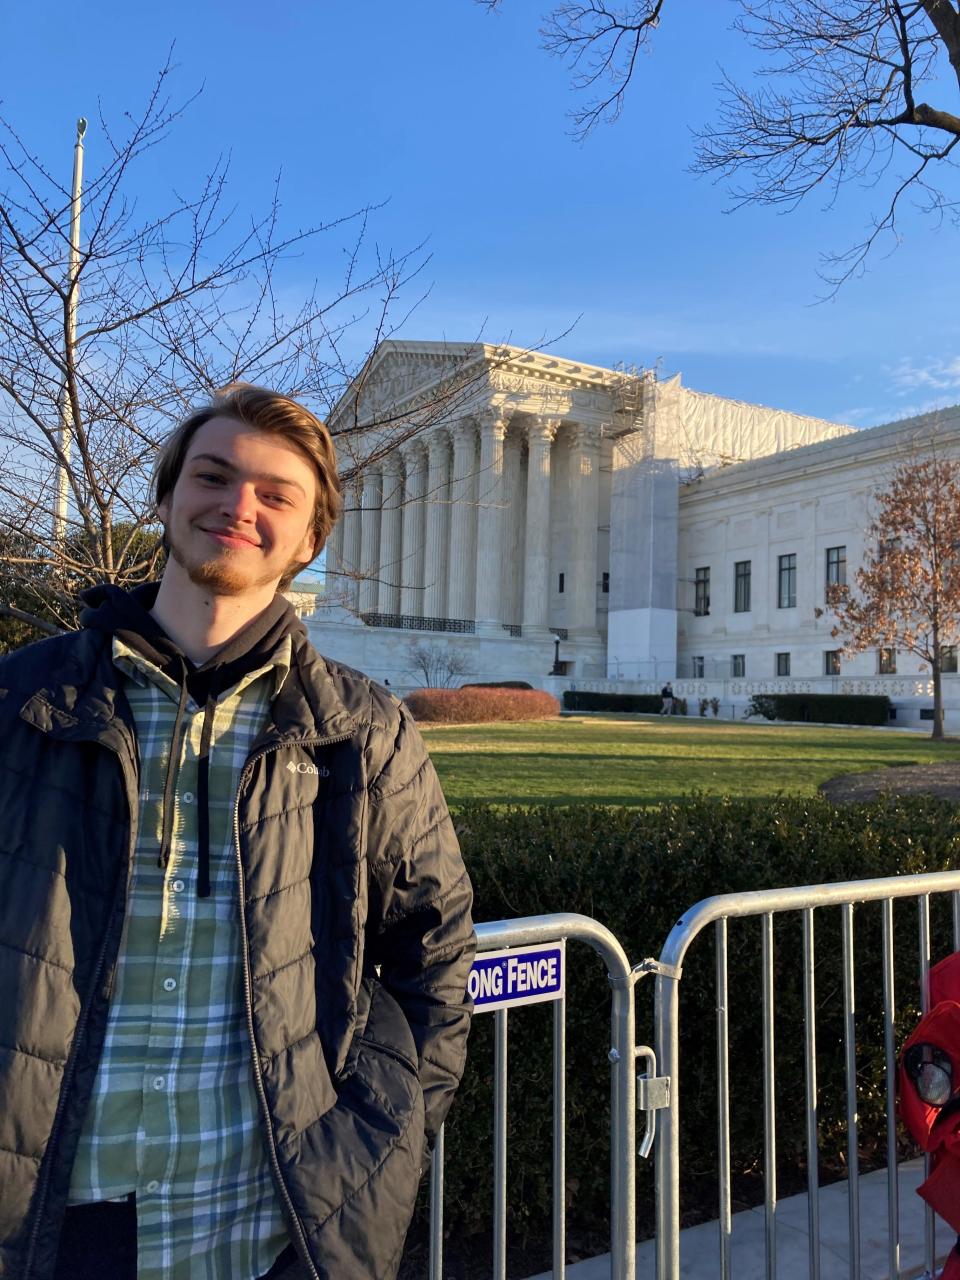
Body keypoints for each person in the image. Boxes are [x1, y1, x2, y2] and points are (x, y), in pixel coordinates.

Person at [0, 386, 475, 1280]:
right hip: (43, 1220)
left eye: (276, 495)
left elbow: (434, 956)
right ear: (169, 497)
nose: (238, 506)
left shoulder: (365, 731)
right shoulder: (20, 701)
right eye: (213, 476)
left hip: (272, 1225)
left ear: (310, 542)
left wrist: (379, 1138)